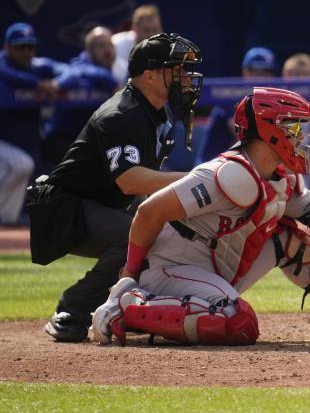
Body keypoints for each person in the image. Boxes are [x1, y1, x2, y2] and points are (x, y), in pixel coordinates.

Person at [91, 87, 310, 346]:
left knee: (288, 238)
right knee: (238, 323)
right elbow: (150, 211)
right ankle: (130, 307)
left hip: (217, 266)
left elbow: (308, 213)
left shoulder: (281, 174)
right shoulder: (227, 174)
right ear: (270, 129)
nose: (301, 137)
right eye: (293, 127)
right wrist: (128, 277)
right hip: (169, 271)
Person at [27, 33, 203, 342]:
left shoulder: (158, 111)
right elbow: (129, 181)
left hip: (100, 204)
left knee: (171, 235)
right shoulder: (122, 113)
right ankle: (73, 310)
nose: (184, 77)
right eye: (176, 69)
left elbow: (146, 189)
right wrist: (194, 179)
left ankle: (130, 307)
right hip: (64, 208)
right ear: (149, 76)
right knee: (134, 237)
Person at [0, 23, 69, 225]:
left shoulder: (39, 66)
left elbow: (71, 72)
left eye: (30, 47)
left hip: (17, 145)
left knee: (23, 167)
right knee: (21, 164)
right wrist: (37, 85)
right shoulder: (3, 64)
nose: (26, 52)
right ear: (8, 47)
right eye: (20, 47)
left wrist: (57, 84)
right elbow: (6, 74)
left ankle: (6, 225)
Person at [44, 26, 121, 166]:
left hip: (92, 141)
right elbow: (80, 71)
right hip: (65, 139)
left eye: (110, 44)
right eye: (101, 46)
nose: (107, 50)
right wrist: (112, 83)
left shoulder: (120, 67)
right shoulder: (80, 64)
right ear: (89, 51)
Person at [197, 47, 277, 164]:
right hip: (210, 167)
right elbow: (245, 137)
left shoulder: (268, 101)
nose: (262, 78)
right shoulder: (231, 96)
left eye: (266, 73)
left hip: (233, 168)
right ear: (246, 72)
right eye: (257, 72)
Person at [112, 4, 163, 84]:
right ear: (135, 28)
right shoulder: (117, 43)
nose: (151, 35)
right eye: (146, 30)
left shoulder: (166, 47)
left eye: (155, 30)